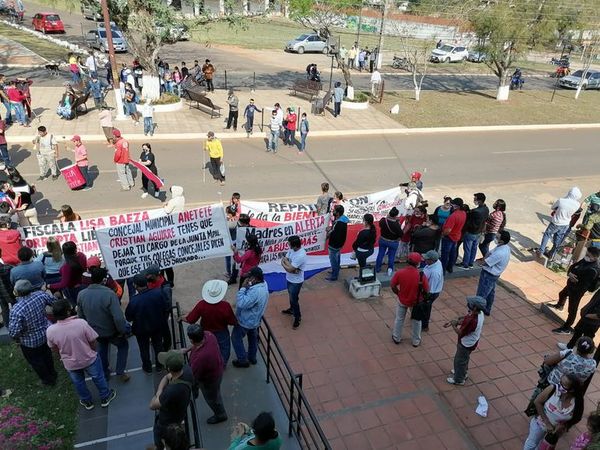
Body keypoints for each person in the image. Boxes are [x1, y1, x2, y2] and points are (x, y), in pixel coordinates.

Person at [47, 299, 117, 410]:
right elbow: (93, 340)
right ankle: (105, 396)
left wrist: (62, 355)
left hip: (70, 363)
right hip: (89, 358)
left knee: (78, 382)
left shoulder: (50, 330)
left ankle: (87, 401)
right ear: (68, 312)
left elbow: (53, 348)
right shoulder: (81, 323)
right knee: (98, 377)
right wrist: (92, 350)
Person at [77, 267, 130, 382]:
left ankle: (105, 373)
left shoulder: (81, 294)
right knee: (123, 346)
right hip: (112, 331)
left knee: (102, 350)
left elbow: (80, 316)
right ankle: (120, 372)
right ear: (103, 280)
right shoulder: (109, 294)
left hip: (94, 332)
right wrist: (122, 331)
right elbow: (118, 317)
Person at [8, 280, 57, 386]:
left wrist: (17, 339)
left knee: (36, 361)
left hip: (29, 342)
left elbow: (14, 331)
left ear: (17, 292)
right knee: (47, 355)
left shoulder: (17, 309)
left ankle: (48, 380)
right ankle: (52, 373)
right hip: (45, 333)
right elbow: (55, 302)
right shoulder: (40, 295)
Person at [182, 279, 237, 367]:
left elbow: (191, 319)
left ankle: (208, 364)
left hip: (206, 331)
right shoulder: (225, 306)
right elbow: (232, 321)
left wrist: (182, 318)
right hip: (222, 331)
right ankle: (222, 365)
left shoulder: (202, 304)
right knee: (224, 348)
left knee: (205, 347)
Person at [523, 374, 583, 450]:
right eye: (560, 382)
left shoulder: (577, 401)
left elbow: (577, 417)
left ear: (572, 390)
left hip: (555, 432)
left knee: (543, 446)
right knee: (531, 444)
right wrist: (547, 422)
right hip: (540, 424)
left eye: (563, 385)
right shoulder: (552, 389)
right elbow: (537, 402)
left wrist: (565, 425)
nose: (559, 386)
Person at [549, 247, 600, 334]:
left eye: (588, 255)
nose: (586, 256)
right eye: (586, 254)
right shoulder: (586, 260)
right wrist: (570, 273)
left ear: (594, 258)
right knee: (562, 294)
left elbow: (584, 284)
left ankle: (566, 327)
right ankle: (559, 306)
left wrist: (575, 280)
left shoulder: (593, 270)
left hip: (577, 291)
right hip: (571, 285)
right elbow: (573, 266)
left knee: (572, 309)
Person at [126, 273, 169, 373]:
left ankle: (147, 367)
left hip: (141, 329)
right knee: (158, 345)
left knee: (143, 348)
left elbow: (128, 317)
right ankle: (159, 366)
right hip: (157, 326)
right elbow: (165, 307)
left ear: (135, 285)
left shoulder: (134, 301)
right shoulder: (158, 293)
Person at [185, 324, 228, 424]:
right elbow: (197, 345)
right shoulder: (209, 335)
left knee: (212, 398)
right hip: (217, 370)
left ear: (191, 340)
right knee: (215, 393)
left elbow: (193, 375)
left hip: (209, 380)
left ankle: (221, 415)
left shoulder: (201, 358)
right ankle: (195, 392)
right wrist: (187, 349)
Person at [150, 351, 192, 450]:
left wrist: (159, 393)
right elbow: (167, 377)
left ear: (168, 368)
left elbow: (152, 405)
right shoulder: (187, 371)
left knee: (160, 441)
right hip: (178, 417)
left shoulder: (171, 391)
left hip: (165, 424)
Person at [232, 267, 269, 368]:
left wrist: (243, 288)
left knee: (236, 338)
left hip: (245, 321)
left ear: (255, 278)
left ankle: (242, 360)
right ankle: (252, 357)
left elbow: (241, 303)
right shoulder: (263, 284)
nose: (248, 279)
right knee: (252, 338)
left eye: (250, 277)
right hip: (255, 319)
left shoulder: (255, 292)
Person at [390, 252, 430, 347]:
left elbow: (393, 285)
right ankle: (416, 341)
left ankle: (396, 337)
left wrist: (398, 293)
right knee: (416, 321)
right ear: (418, 263)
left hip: (402, 300)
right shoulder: (421, 275)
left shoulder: (400, 273)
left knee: (399, 319)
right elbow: (427, 290)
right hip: (416, 302)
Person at [445, 296, 486, 385]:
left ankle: (459, 379)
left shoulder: (472, 321)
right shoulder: (480, 313)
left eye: (471, 304)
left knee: (459, 360)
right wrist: (458, 320)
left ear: (475, 307)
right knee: (465, 358)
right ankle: (463, 372)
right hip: (473, 342)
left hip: (465, 344)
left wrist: (453, 325)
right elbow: (467, 317)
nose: (468, 305)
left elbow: (460, 332)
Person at [537, 187, 582, 260]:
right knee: (558, 240)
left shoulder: (561, 200)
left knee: (547, 235)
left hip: (556, 222)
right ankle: (552, 254)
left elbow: (553, 207)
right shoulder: (577, 204)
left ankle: (541, 251)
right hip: (565, 224)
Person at [476, 230, 511, 315]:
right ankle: (487, 309)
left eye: (497, 237)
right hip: (493, 274)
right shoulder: (504, 247)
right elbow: (489, 253)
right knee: (490, 292)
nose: (495, 238)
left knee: (482, 294)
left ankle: (475, 311)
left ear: (502, 241)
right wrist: (485, 258)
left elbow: (485, 262)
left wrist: (478, 262)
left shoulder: (500, 252)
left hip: (489, 275)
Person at [281, 236, 306, 330]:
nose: (288, 246)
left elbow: (290, 268)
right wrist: (289, 267)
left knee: (294, 299)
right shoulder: (292, 250)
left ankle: (297, 317)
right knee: (292, 296)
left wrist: (284, 264)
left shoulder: (301, 255)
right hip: (290, 278)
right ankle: (292, 309)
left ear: (295, 245)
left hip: (296, 281)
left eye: (289, 244)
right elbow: (286, 260)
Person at [461, 193, 489, 269]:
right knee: (474, 248)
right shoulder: (486, 209)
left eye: (475, 199)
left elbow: (469, 221)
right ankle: (470, 263)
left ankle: (465, 264)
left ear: (479, 201)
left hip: (471, 232)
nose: (474, 200)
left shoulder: (475, 211)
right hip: (478, 232)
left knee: (467, 249)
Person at [440, 198, 467, 273]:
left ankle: (443, 269)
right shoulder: (463, 213)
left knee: (445, 254)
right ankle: (450, 267)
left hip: (449, 237)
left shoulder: (453, 216)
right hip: (456, 236)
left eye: (453, 204)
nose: (451, 206)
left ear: (457, 206)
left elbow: (448, 230)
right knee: (452, 253)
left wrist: (443, 234)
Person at [375, 207, 403, 275]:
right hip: (393, 242)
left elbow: (380, 225)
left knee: (380, 254)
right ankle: (390, 270)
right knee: (391, 256)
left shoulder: (383, 220)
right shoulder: (396, 224)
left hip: (383, 240)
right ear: (396, 216)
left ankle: (377, 268)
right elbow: (401, 234)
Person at [421, 250, 444, 332]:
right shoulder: (436, 262)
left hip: (431, 293)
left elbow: (430, 288)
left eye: (426, 259)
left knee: (426, 309)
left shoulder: (434, 273)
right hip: (431, 290)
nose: (424, 260)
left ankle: (424, 326)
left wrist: (425, 296)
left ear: (432, 260)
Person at [326, 205, 349, 282]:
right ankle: (335, 271)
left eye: (334, 211)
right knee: (337, 259)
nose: (333, 212)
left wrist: (328, 232)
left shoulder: (339, 223)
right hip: (339, 244)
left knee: (333, 260)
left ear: (338, 213)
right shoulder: (343, 220)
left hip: (334, 245)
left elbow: (334, 233)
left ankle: (334, 275)